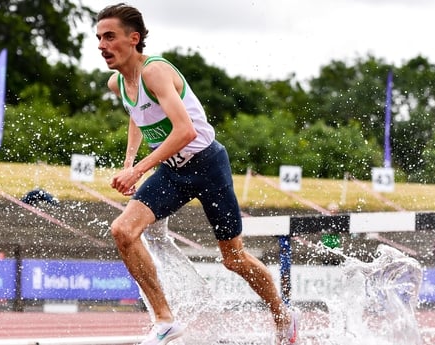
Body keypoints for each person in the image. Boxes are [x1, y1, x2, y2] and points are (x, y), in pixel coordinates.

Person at [95, 3, 297, 344]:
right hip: (173, 170)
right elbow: (137, 114)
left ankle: (282, 313)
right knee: (123, 231)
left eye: (109, 37)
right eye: (98, 38)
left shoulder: (155, 72)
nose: (101, 45)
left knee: (233, 259)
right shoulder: (118, 83)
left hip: (207, 164)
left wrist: (139, 170)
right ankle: (165, 320)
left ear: (134, 39)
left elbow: (185, 131)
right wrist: (130, 162)